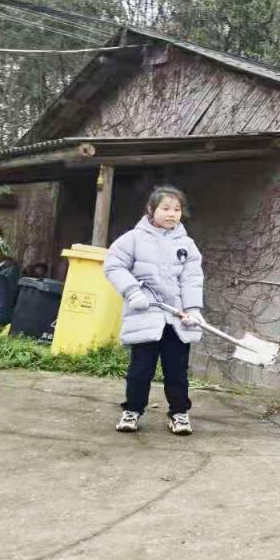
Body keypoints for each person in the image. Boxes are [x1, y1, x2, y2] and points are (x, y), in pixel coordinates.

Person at [104, 186, 205, 435]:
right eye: (166, 208)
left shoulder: (187, 244)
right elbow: (114, 266)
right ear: (151, 210)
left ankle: (179, 414)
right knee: (140, 370)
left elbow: (192, 279)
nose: (171, 214)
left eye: (177, 209)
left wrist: (193, 309)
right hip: (146, 314)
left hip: (176, 318)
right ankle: (132, 411)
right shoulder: (133, 239)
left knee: (177, 371)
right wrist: (132, 292)